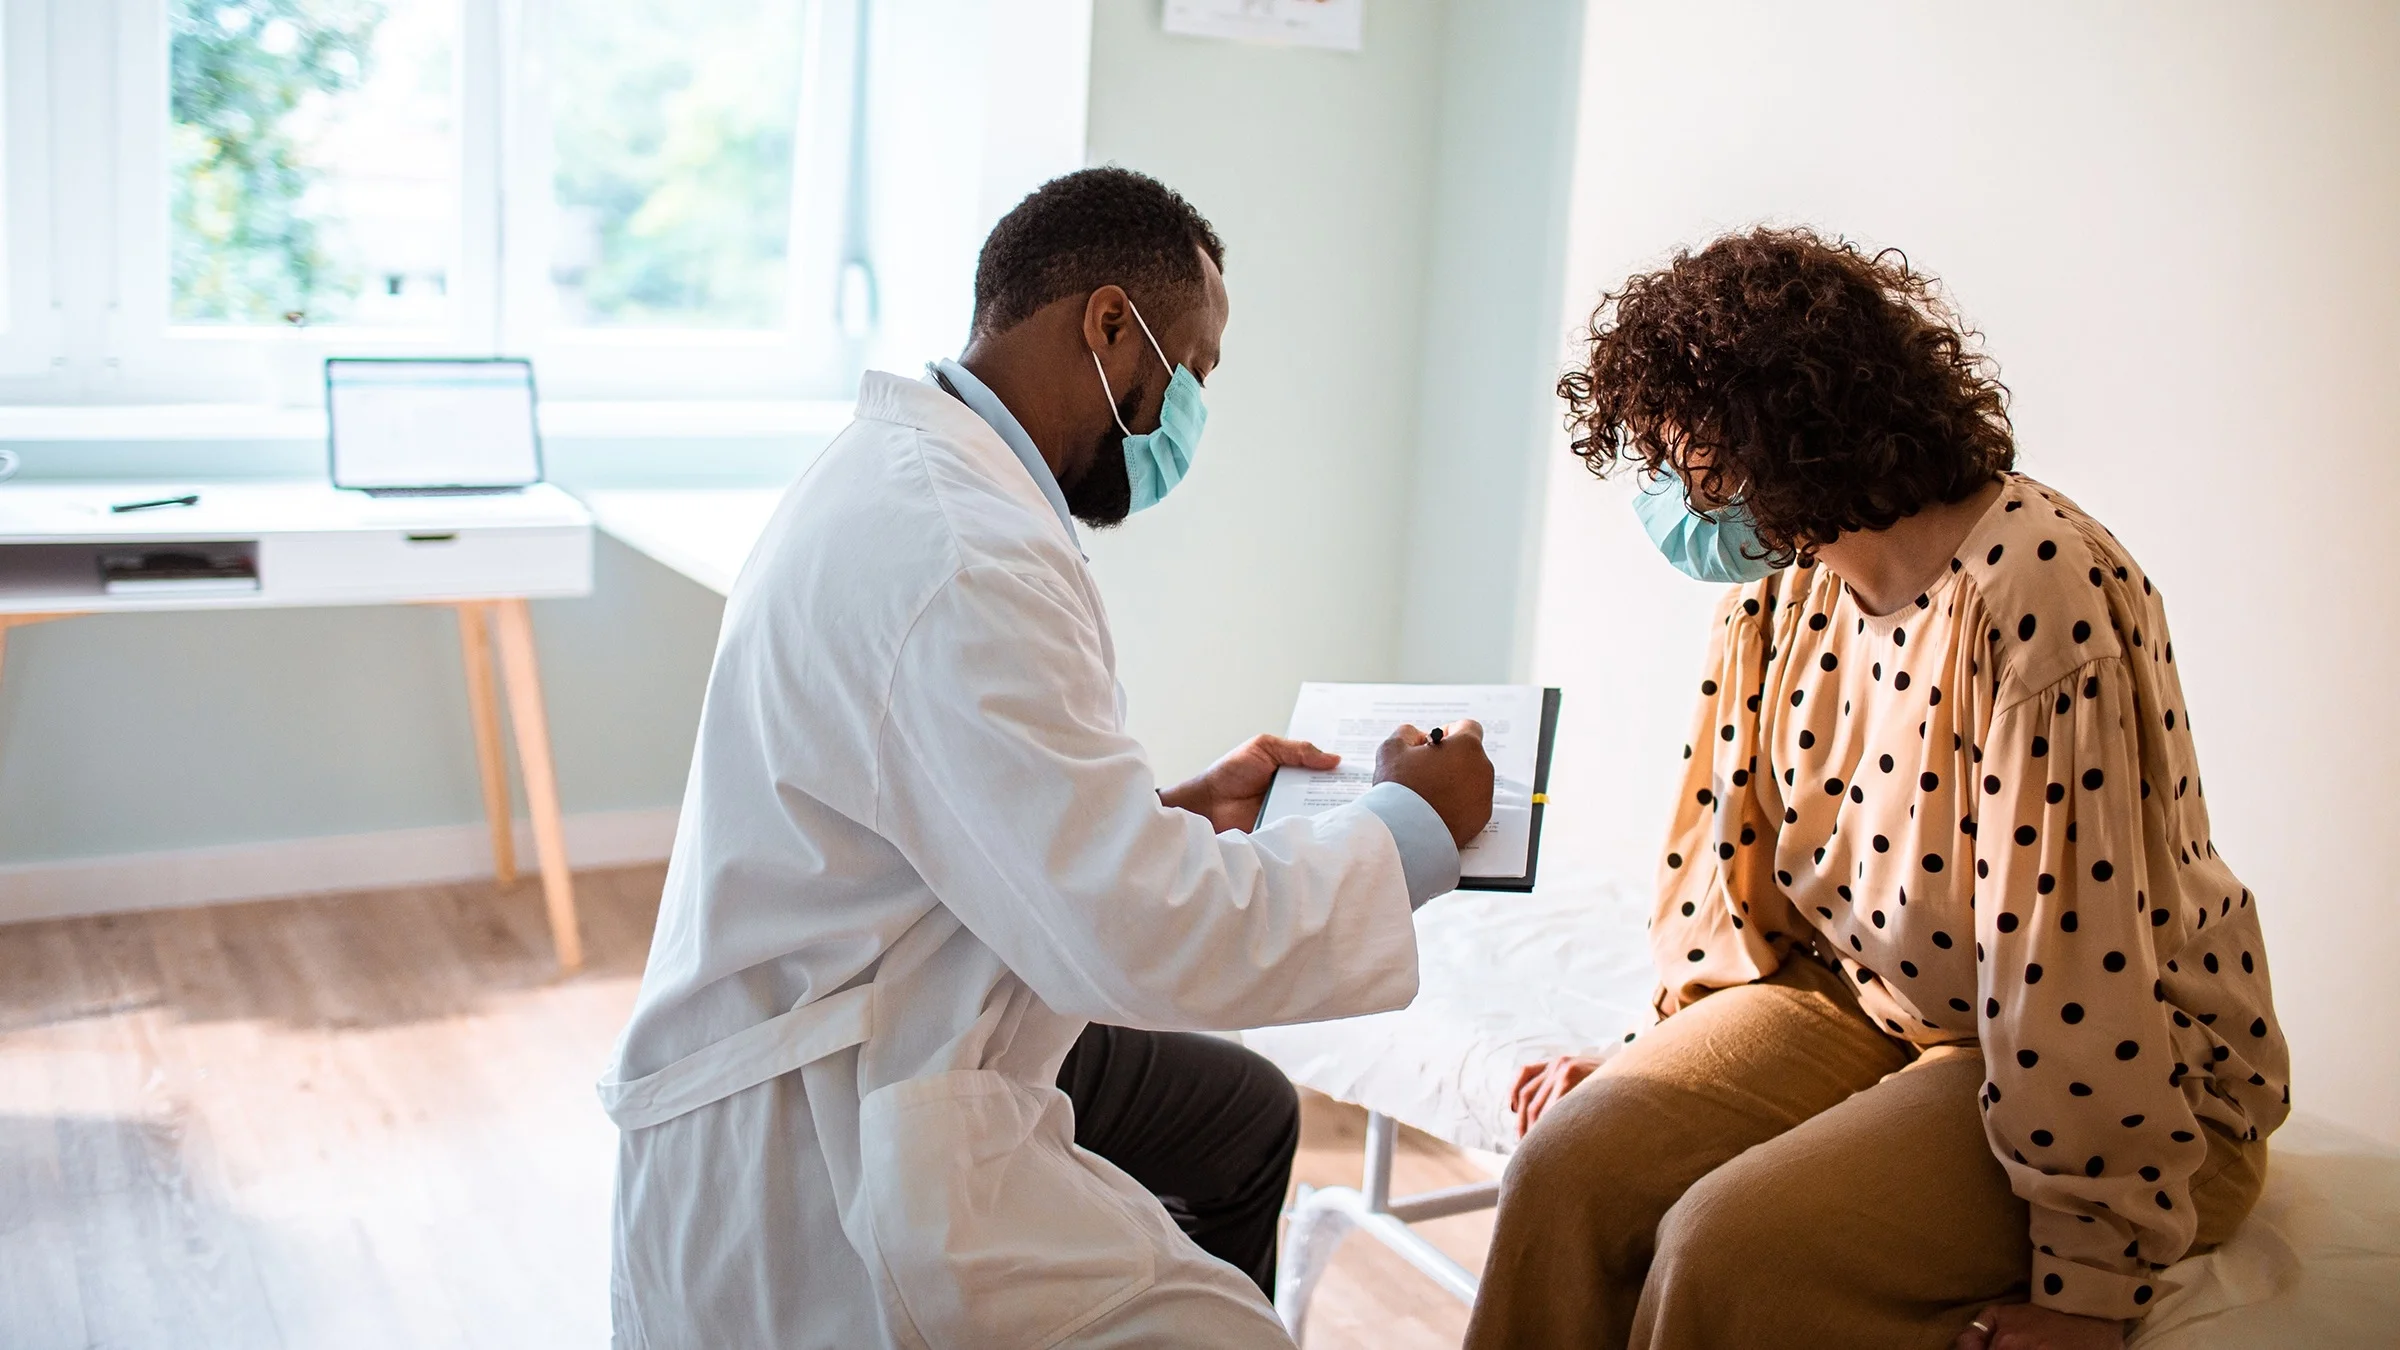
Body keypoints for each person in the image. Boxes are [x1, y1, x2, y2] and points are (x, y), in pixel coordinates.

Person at [597, 166, 1495, 1349]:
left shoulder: (921, 475)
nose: (1192, 421)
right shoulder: (967, 554)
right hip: (839, 1109)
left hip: (920, 989)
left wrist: (1170, 807)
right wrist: (1412, 828)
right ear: (1111, 327)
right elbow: (1143, 936)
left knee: (1239, 1118)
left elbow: (951, 799)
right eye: (1196, 373)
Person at [1465, 229, 2289, 1350]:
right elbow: (1728, 878)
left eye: (1677, 449)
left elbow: (2070, 960)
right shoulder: (1779, 590)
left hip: (2113, 1067)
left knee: (1729, 1245)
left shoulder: (2039, 597)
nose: (1665, 487)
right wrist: (1655, 1057)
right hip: (1865, 1006)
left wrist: (2087, 1290)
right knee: (1563, 1173)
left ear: (1786, 430)